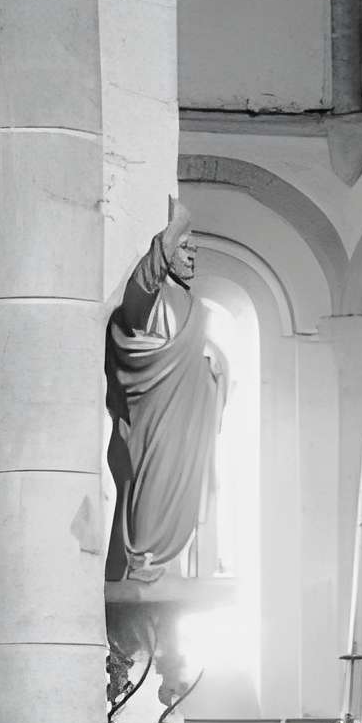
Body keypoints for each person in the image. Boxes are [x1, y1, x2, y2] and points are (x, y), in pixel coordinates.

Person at [104, 198, 222, 586]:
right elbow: (140, 291)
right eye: (185, 249)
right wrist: (171, 232)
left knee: (179, 486)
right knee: (149, 487)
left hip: (183, 424)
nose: (193, 256)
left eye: (194, 250)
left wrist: (210, 374)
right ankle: (142, 558)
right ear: (166, 255)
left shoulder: (193, 305)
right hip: (150, 420)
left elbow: (192, 362)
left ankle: (161, 559)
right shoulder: (151, 301)